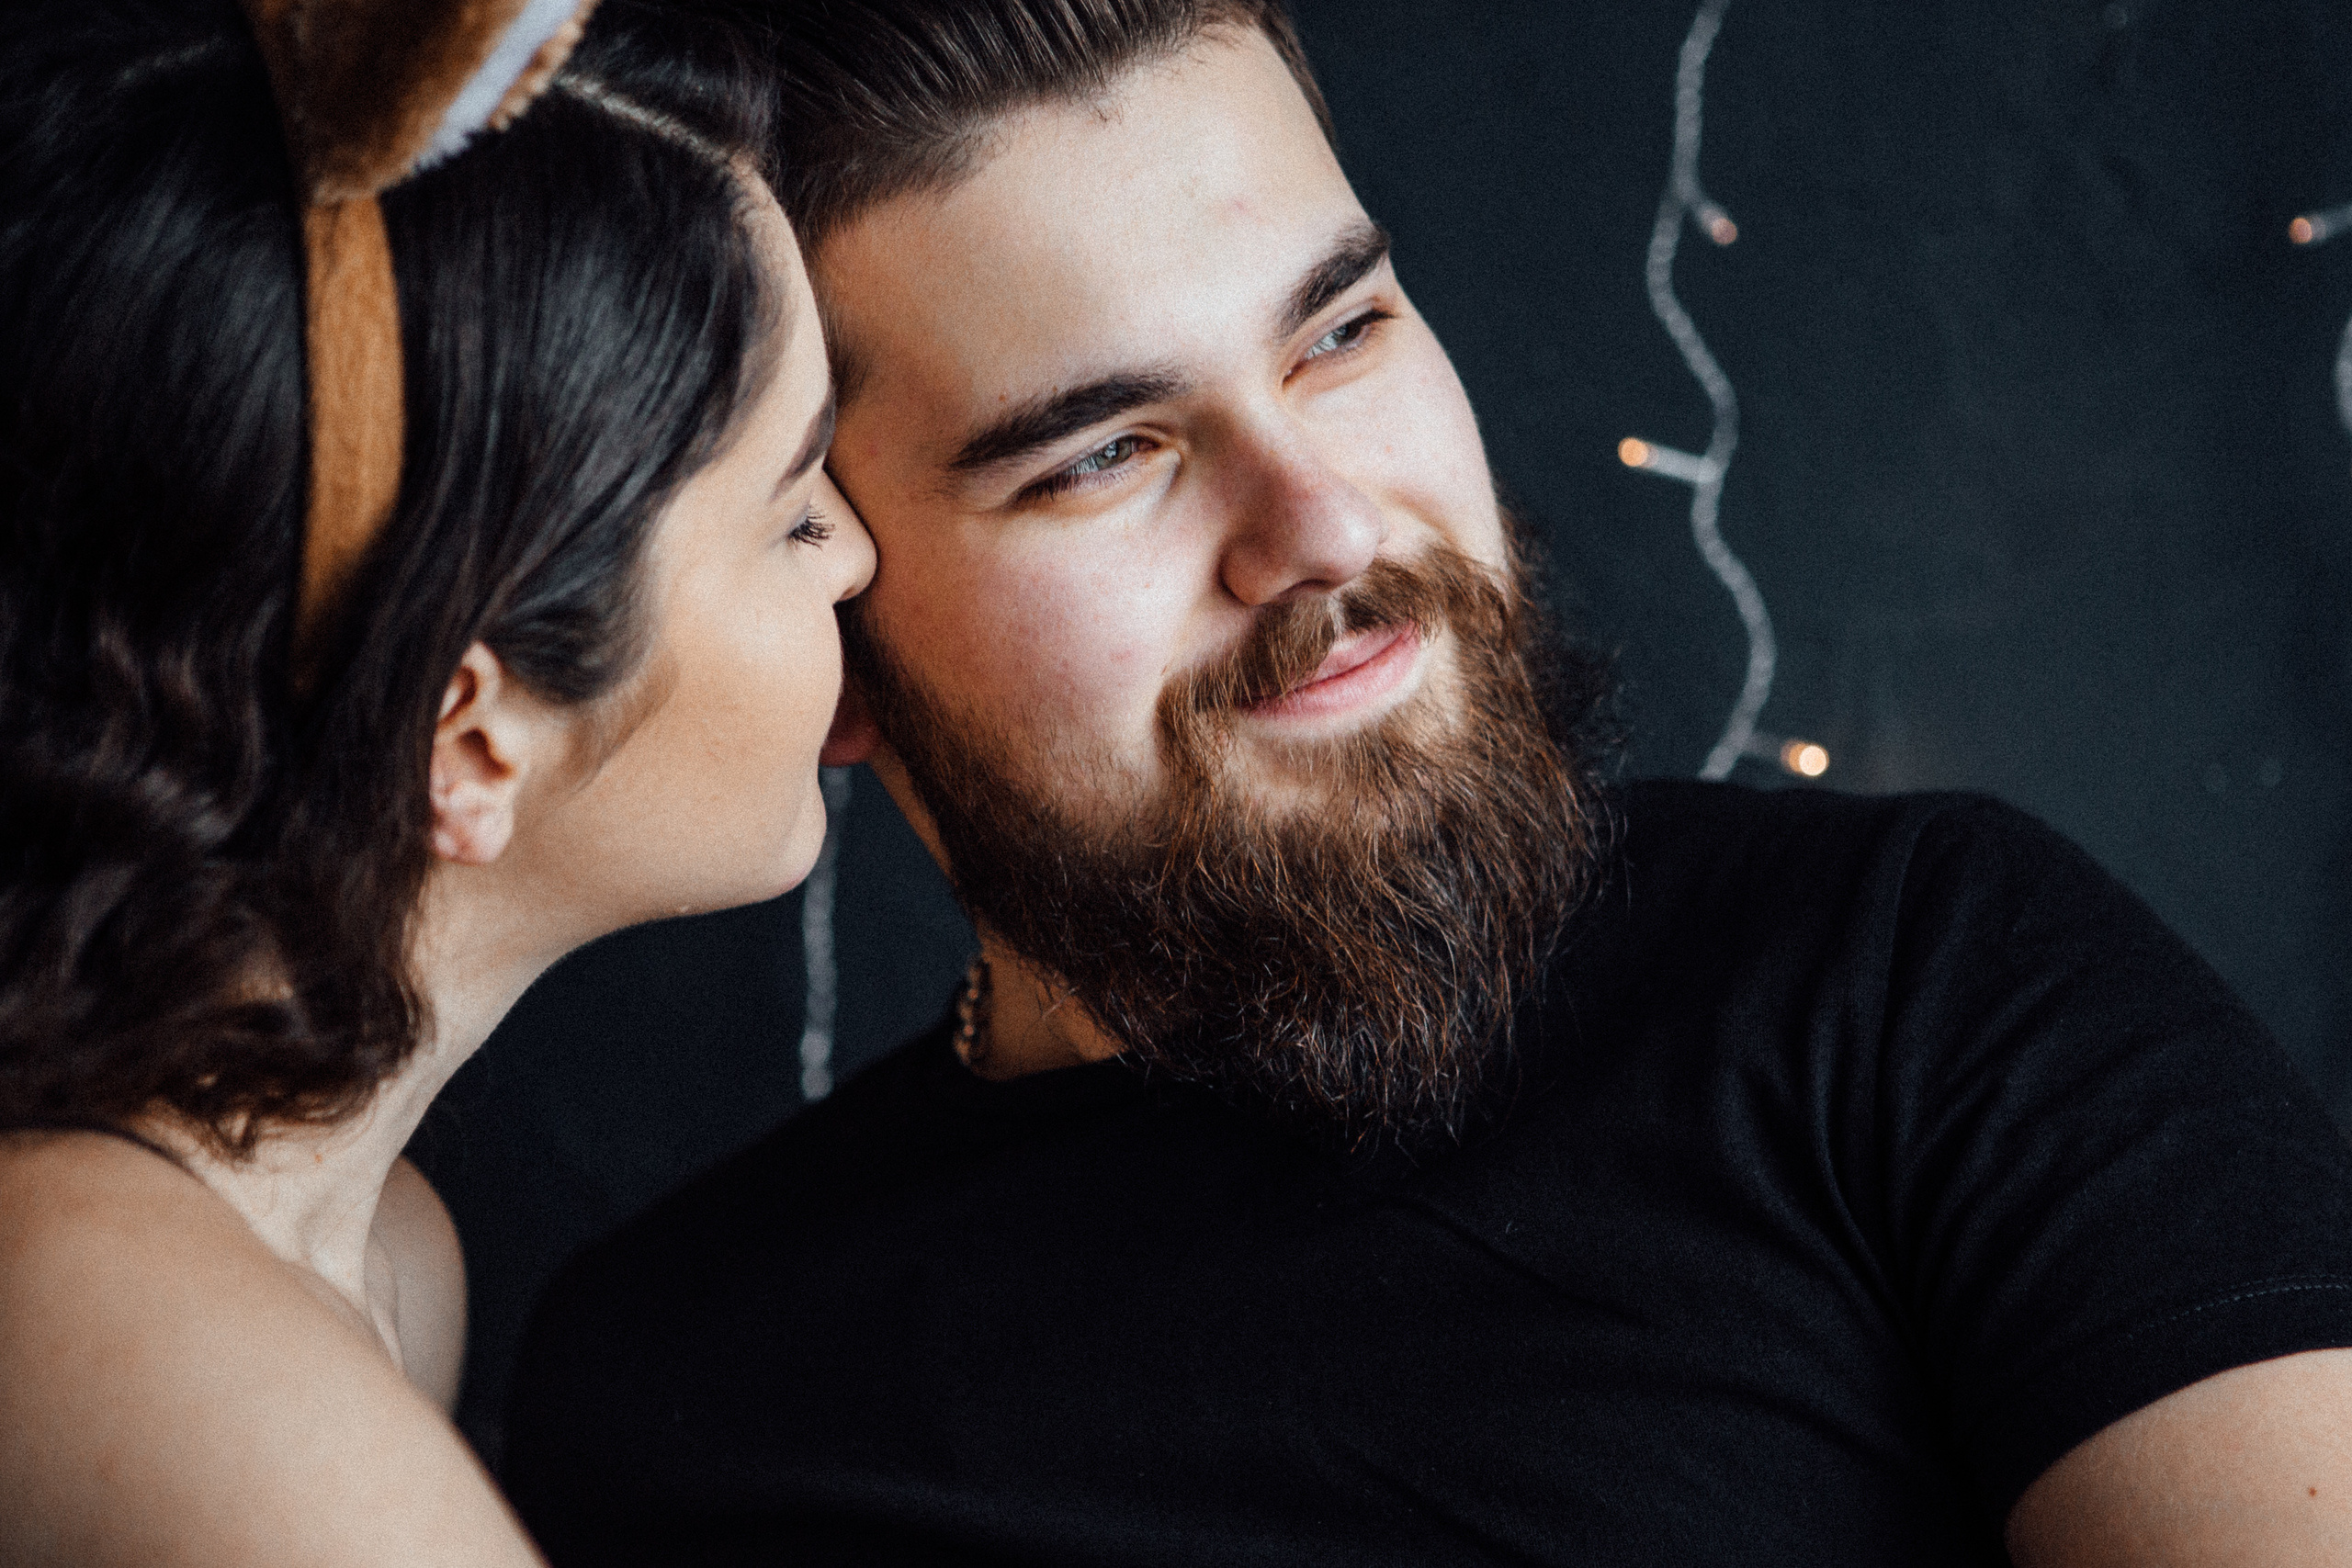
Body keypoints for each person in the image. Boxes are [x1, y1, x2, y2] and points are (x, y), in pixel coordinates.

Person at [504, 2, 2352, 1562]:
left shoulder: (1916, 977)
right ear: (812, 590)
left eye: (1340, 332)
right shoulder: (669, 1384)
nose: (1318, 520)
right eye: (1101, 455)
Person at [0, 0, 871, 1562]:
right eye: (797, 512)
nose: (860, 556)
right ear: (472, 739)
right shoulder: (151, 1361)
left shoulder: (389, 1258)